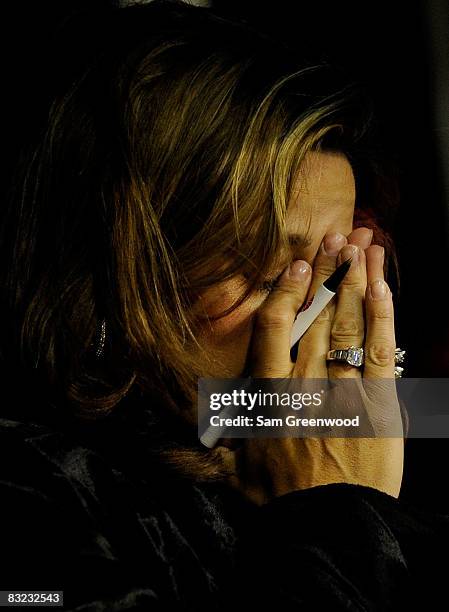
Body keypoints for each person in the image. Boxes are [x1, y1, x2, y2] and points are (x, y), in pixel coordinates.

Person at [0, 0, 448, 609]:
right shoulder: (36, 497)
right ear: (109, 272)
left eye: (333, 274)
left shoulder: (352, 430)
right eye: (271, 277)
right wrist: (336, 520)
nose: (309, 328)